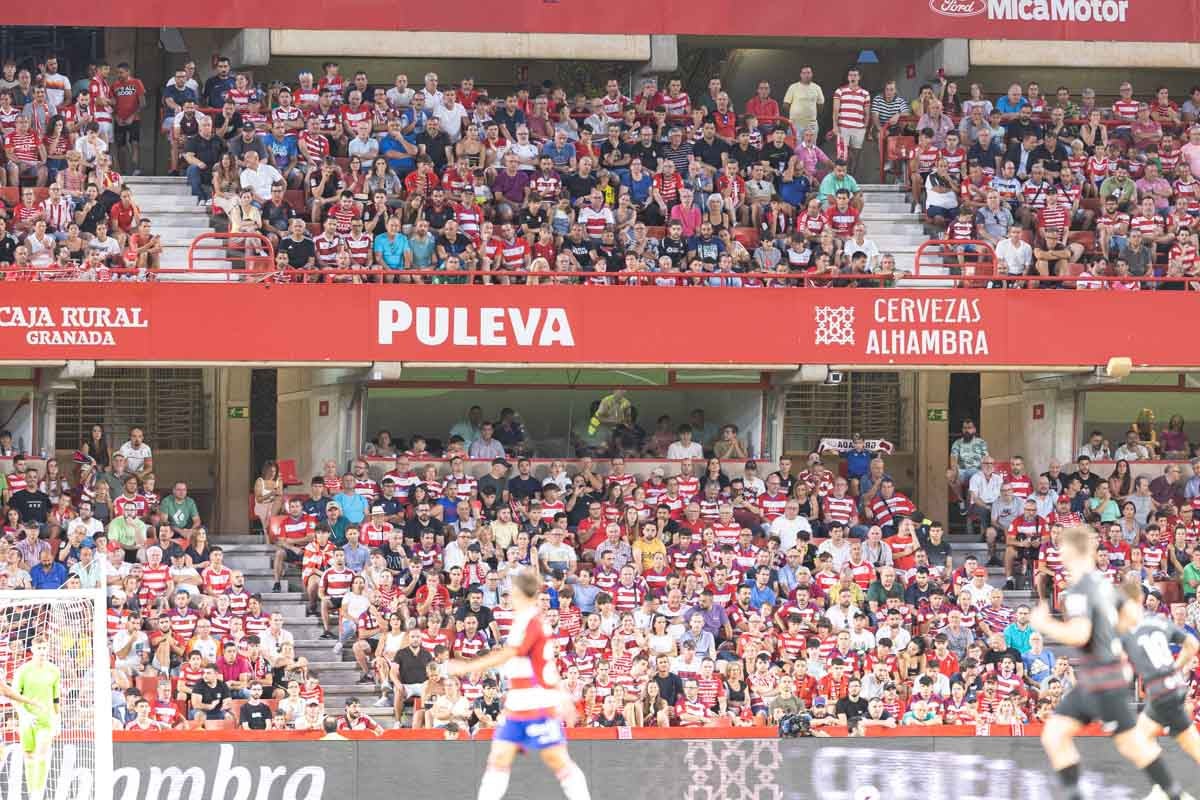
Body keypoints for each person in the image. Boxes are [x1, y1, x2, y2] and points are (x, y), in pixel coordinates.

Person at [1032, 526, 1191, 800]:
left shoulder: (1080, 590)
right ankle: (1173, 793)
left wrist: (1045, 624)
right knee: (1058, 734)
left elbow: (1080, 634)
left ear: (1069, 551)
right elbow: (1131, 614)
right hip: (1100, 679)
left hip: (1101, 681)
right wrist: (1116, 644)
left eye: (1060, 550)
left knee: (1130, 744)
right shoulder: (1103, 582)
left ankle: (1174, 794)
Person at [446, 569, 592, 800]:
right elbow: (545, 664)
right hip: (517, 703)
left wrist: (466, 667)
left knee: (558, 760)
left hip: (536, 702)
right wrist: (562, 695)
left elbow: (510, 653)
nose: (510, 596)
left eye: (513, 591)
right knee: (498, 758)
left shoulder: (530, 621)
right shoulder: (528, 620)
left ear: (521, 593)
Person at [1117, 580, 1200, 766]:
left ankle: (1166, 789)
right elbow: (1193, 645)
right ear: (1142, 599)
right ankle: (1165, 789)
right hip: (1174, 687)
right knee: (1190, 743)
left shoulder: (1126, 628)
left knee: (1137, 741)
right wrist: (1175, 668)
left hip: (1161, 692)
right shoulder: (1160, 620)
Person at [12, 636, 60, 800]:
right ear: (32, 650)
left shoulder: (54, 671)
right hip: (26, 720)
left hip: (45, 719)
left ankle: (38, 793)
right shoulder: (22, 671)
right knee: (29, 755)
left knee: (42, 752)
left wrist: (57, 718)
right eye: (39, 648)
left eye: (45, 648)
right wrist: (24, 714)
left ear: (48, 649)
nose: (42, 652)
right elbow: (14, 697)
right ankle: (33, 791)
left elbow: (56, 698)